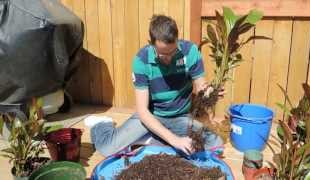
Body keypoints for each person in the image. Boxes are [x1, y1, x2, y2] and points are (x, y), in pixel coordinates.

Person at [89, 15, 223, 157]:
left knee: (216, 145)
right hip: (151, 117)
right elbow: (142, 111)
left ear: (177, 40)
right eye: (163, 54)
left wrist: (209, 92)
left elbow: (201, 84)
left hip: (180, 117)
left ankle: (150, 138)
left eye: (172, 52)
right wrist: (175, 140)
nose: (169, 58)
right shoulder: (142, 60)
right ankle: (103, 125)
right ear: (151, 44)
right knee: (107, 149)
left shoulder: (190, 52)